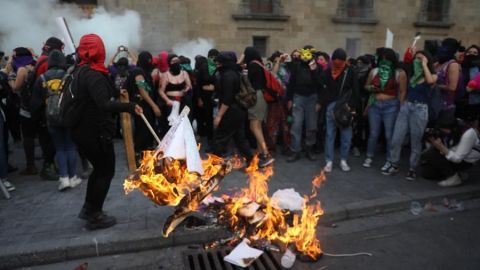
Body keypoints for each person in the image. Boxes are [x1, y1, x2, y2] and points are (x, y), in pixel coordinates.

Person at [72, 34, 143, 230]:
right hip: (94, 132)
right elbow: (103, 104)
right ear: (100, 51)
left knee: (99, 170)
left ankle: (89, 208)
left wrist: (115, 94)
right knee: (105, 171)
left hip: (83, 131)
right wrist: (129, 106)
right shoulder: (93, 75)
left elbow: (98, 96)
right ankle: (94, 215)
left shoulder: (79, 71)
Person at [31, 50, 83, 190]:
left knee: (59, 148)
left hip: (51, 118)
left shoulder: (41, 79)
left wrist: (39, 119)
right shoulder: (68, 76)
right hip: (68, 117)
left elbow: (35, 103)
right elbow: (76, 97)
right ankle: (73, 177)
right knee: (71, 147)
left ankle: (64, 178)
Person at [386, 50, 438, 180]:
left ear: (427, 60)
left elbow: (431, 82)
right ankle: (394, 163)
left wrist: (424, 64)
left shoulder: (432, 75)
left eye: (420, 59)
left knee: (416, 140)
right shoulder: (412, 75)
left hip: (420, 109)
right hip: (407, 106)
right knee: (396, 137)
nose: (417, 61)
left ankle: (412, 168)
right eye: (416, 59)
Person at [363, 48, 407, 173]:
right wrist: (372, 88)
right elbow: (366, 86)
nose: (383, 61)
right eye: (381, 58)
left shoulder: (399, 73)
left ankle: (390, 159)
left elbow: (403, 91)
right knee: (373, 133)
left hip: (391, 105)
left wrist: (400, 108)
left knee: (389, 134)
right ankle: (369, 156)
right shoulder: (374, 71)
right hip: (375, 104)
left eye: (386, 58)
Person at [319, 48, 359, 172]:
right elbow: (321, 87)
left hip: (345, 107)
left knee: (346, 135)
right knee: (330, 134)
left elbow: (356, 90)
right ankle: (329, 161)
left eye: (340, 60)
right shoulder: (327, 72)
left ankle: (343, 159)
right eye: (335, 60)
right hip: (331, 106)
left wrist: (351, 106)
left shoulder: (350, 71)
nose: (337, 62)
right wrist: (326, 101)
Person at [211, 52, 253, 164]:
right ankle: (252, 161)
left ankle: (214, 165)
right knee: (240, 139)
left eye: (219, 63)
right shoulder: (232, 72)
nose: (217, 65)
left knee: (220, 138)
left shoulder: (228, 75)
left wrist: (219, 116)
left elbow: (227, 98)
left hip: (231, 111)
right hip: (238, 110)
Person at [421, 116, 480, 187]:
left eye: (444, 130)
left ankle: (454, 177)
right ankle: (457, 173)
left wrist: (441, 147)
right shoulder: (453, 125)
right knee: (427, 173)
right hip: (451, 153)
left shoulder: (468, 134)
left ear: (452, 129)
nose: (442, 132)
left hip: (465, 160)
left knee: (432, 153)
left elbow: (457, 159)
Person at [287, 46, 321, 162]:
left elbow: (320, 84)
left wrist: (314, 71)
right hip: (298, 97)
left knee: (311, 126)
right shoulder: (296, 66)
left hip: (312, 98)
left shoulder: (317, 67)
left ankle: (309, 149)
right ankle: (295, 150)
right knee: (296, 125)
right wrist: (289, 99)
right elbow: (291, 83)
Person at [242, 47, 274, 168]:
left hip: (256, 97)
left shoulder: (253, 65)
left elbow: (248, 82)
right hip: (261, 96)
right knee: (257, 126)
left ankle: (265, 154)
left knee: (254, 126)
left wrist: (241, 60)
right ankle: (260, 154)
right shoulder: (259, 64)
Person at [127, 51, 161, 161]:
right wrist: (154, 106)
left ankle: (147, 155)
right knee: (143, 131)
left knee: (147, 130)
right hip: (142, 107)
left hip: (146, 106)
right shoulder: (138, 72)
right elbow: (142, 91)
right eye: (149, 60)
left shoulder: (142, 71)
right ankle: (140, 156)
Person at [196, 49, 219, 148]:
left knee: (218, 119)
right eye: (211, 57)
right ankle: (210, 141)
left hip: (218, 97)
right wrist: (199, 98)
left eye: (215, 57)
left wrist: (214, 87)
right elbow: (198, 85)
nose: (213, 59)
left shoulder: (219, 68)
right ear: (208, 57)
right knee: (208, 119)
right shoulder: (203, 68)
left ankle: (218, 140)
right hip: (205, 97)